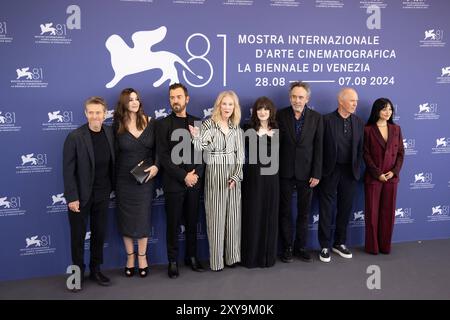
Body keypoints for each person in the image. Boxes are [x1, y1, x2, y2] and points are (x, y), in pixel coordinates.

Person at [63, 96, 115, 291]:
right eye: (91, 112)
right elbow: (68, 171)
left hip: (102, 194)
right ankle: (76, 275)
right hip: (80, 197)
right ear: (86, 114)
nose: (95, 116)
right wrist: (72, 197)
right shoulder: (75, 137)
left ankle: (96, 269)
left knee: (99, 235)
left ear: (105, 114)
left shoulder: (110, 133)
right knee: (77, 238)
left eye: (98, 112)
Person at [189, 90, 244, 272]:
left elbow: (240, 156)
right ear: (218, 105)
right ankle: (217, 261)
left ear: (234, 107)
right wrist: (196, 136)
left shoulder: (237, 128)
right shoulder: (208, 124)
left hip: (233, 177)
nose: (227, 107)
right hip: (215, 174)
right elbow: (199, 148)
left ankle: (233, 257)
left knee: (233, 218)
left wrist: (236, 176)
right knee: (216, 219)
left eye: (231, 104)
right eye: (224, 103)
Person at [156, 83, 205, 279]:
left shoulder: (198, 123)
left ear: (187, 99)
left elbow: (204, 153)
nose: (175, 100)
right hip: (174, 183)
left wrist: (195, 176)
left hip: (194, 182)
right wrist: (183, 176)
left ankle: (191, 257)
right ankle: (173, 260)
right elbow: (164, 157)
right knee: (173, 223)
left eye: (178, 97)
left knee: (193, 221)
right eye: (172, 97)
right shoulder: (163, 125)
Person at [113, 88, 159, 277]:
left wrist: (156, 166)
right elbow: (113, 155)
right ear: (124, 103)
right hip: (124, 181)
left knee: (142, 218)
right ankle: (130, 257)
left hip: (145, 179)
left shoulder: (151, 122)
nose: (134, 102)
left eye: (137, 99)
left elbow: (160, 150)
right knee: (126, 219)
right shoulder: (117, 125)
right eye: (130, 99)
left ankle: (142, 257)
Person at [277, 81, 323, 263]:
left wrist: (317, 173)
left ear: (307, 99)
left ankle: (301, 246)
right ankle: (287, 247)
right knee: (285, 212)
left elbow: (319, 147)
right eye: (294, 97)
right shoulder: (280, 115)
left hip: (307, 173)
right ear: (290, 98)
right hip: (284, 172)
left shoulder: (316, 118)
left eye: (301, 97)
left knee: (304, 212)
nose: (297, 100)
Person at [318, 87, 364, 263]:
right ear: (341, 101)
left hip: (349, 172)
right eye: (352, 101)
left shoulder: (358, 122)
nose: (355, 104)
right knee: (326, 208)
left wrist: (357, 169)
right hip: (330, 171)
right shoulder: (326, 120)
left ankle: (340, 243)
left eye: (356, 101)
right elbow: (319, 148)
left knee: (345, 209)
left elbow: (360, 150)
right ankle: (324, 245)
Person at [241, 97, 280, 268]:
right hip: (253, 178)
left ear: (271, 111)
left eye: (266, 109)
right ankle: (251, 257)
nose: (262, 112)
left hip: (272, 179)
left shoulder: (278, 129)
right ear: (255, 112)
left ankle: (267, 257)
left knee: (269, 215)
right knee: (253, 215)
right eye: (259, 109)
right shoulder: (247, 129)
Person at [363, 98, 404, 255]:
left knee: (388, 214)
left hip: (391, 178)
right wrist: (377, 173)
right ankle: (372, 247)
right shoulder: (368, 130)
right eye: (384, 109)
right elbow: (365, 154)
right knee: (372, 214)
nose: (388, 112)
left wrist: (394, 171)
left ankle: (385, 246)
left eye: (390, 109)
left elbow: (401, 153)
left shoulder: (396, 129)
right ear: (377, 111)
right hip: (374, 178)